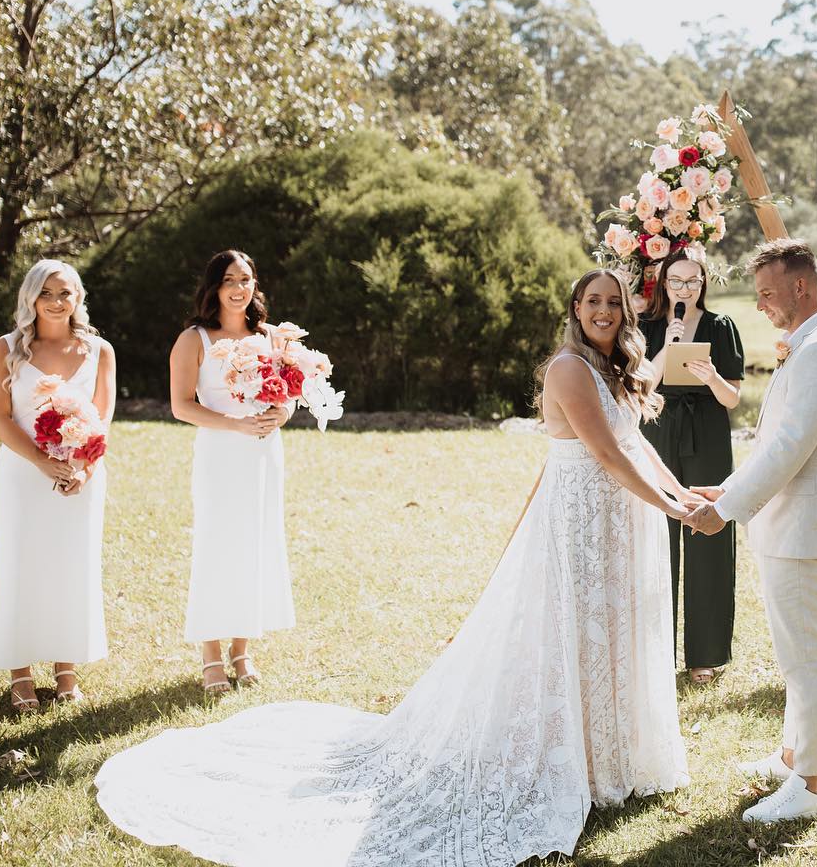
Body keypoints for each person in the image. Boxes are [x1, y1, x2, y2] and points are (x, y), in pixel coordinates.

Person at [95, 268, 697, 866]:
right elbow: (607, 453)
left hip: (618, 523)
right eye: (593, 300)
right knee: (568, 637)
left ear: (626, 311)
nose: (604, 311)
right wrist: (676, 510)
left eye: (613, 302)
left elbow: (637, 445)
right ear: (574, 307)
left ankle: (607, 758)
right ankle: (566, 758)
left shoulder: (618, 371)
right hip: (579, 526)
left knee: (609, 636)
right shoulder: (569, 368)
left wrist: (686, 493)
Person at [685, 238, 817, 823]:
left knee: (807, 657)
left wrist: (728, 507)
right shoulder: (809, 346)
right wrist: (728, 487)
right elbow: (779, 445)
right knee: (795, 655)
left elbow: (790, 448)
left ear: (800, 287)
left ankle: (810, 788)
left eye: (767, 293)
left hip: (804, 527)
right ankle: (792, 757)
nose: (759, 304)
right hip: (792, 522)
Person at [0, 259, 115, 711]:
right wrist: (43, 461)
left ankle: (65, 669)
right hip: (22, 474)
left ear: (79, 298)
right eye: (48, 294)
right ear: (31, 298)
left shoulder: (100, 351)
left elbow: (103, 417)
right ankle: (19, 673)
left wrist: (84, 469)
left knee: (70, 567)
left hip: (81, 476)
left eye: (67, 293)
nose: (58, 302)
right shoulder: (6, 349)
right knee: (20, 564)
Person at [170, 250, 294, 693]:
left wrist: (281, 414)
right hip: (221, 454)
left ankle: (242, 650)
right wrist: (234, 425)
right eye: (229, 280)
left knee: (254, 546)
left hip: (264, 455)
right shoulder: (194, 340)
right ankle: (210, 654)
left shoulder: (272, 336)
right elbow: (181, 405)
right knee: (217, 546)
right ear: (213, 288)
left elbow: (288, 395)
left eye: (246, 280)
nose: (239, 289)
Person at [639, 248, 744, 685]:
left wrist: (710, 377)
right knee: (655, 535)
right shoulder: (646, 327)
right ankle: (654, 652)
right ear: (664, 284)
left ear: (703, 283)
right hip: (659, 428)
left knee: (707, 534)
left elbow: (732, 398)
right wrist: (668, 346)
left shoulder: (722, 328)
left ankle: (705, 653)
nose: (685, 288)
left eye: (693, 281)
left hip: (707, 434)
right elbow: (641, 383)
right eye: (677, 281)